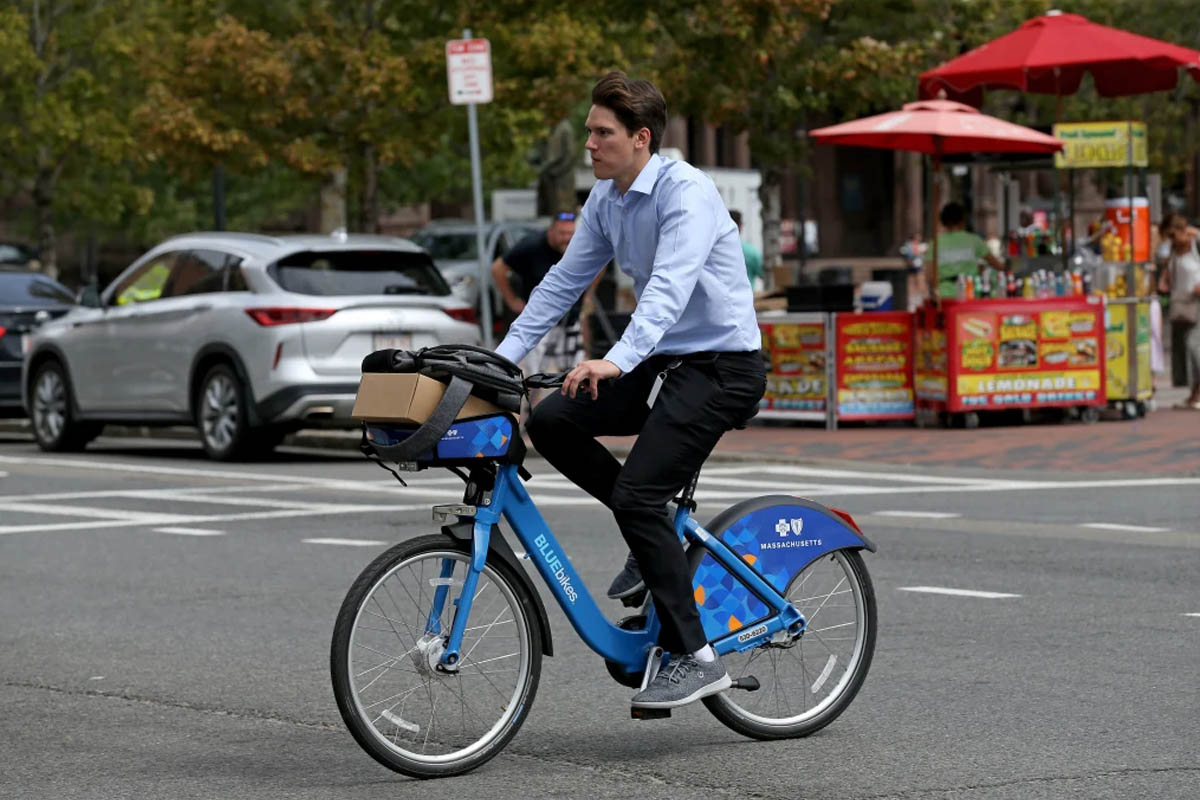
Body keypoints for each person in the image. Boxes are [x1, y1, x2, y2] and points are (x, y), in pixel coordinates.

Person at [494, 71, 765, 710]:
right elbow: (561, 285)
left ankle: (698, 660)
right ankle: (656, 535)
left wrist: (614, 361)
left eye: (601, 132)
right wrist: (500, 358)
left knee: (638, 498)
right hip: (664, 358)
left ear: (640, 138)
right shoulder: (607, 201)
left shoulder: (686, 194)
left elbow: (669, 289)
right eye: (590, 131)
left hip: (721, 366)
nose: (589, 143)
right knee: (554, 419)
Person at [490, 212, 585, 378]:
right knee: (535, 374)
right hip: (539, 319)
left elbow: (599, 265)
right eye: (562, 234)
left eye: (571, 234)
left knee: (574, 372)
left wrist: (589, 295)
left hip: (570, 318)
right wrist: (511, 300)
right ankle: (532, 401)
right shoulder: (531, 246)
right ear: (551, 231)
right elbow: (498, 267)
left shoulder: (577, 248)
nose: (567, 238)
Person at [1157, 213, 1200, 409]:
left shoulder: (1197, 242)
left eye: (1173, 235)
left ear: (1183, 230)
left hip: (1197, 304)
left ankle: (1196, 395)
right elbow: (1170, 272)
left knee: (1194, 347)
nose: (1172, 241)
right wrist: (1164, 281)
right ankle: (1194, 394)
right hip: (1181, 304)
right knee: (1184, 351)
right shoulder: (1175, 250)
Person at [935, 201, 1005, 298]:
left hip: (944, 296)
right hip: (969, 294)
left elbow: (930, 275)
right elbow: (996, 264)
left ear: (943, 221)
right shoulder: (974, 240)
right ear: (963, 220)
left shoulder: (935, 243)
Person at [729, 210, 762, 289]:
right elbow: (764, 273)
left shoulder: (712, 251)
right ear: (740, 225)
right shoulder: (751, 251)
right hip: (747, 297)